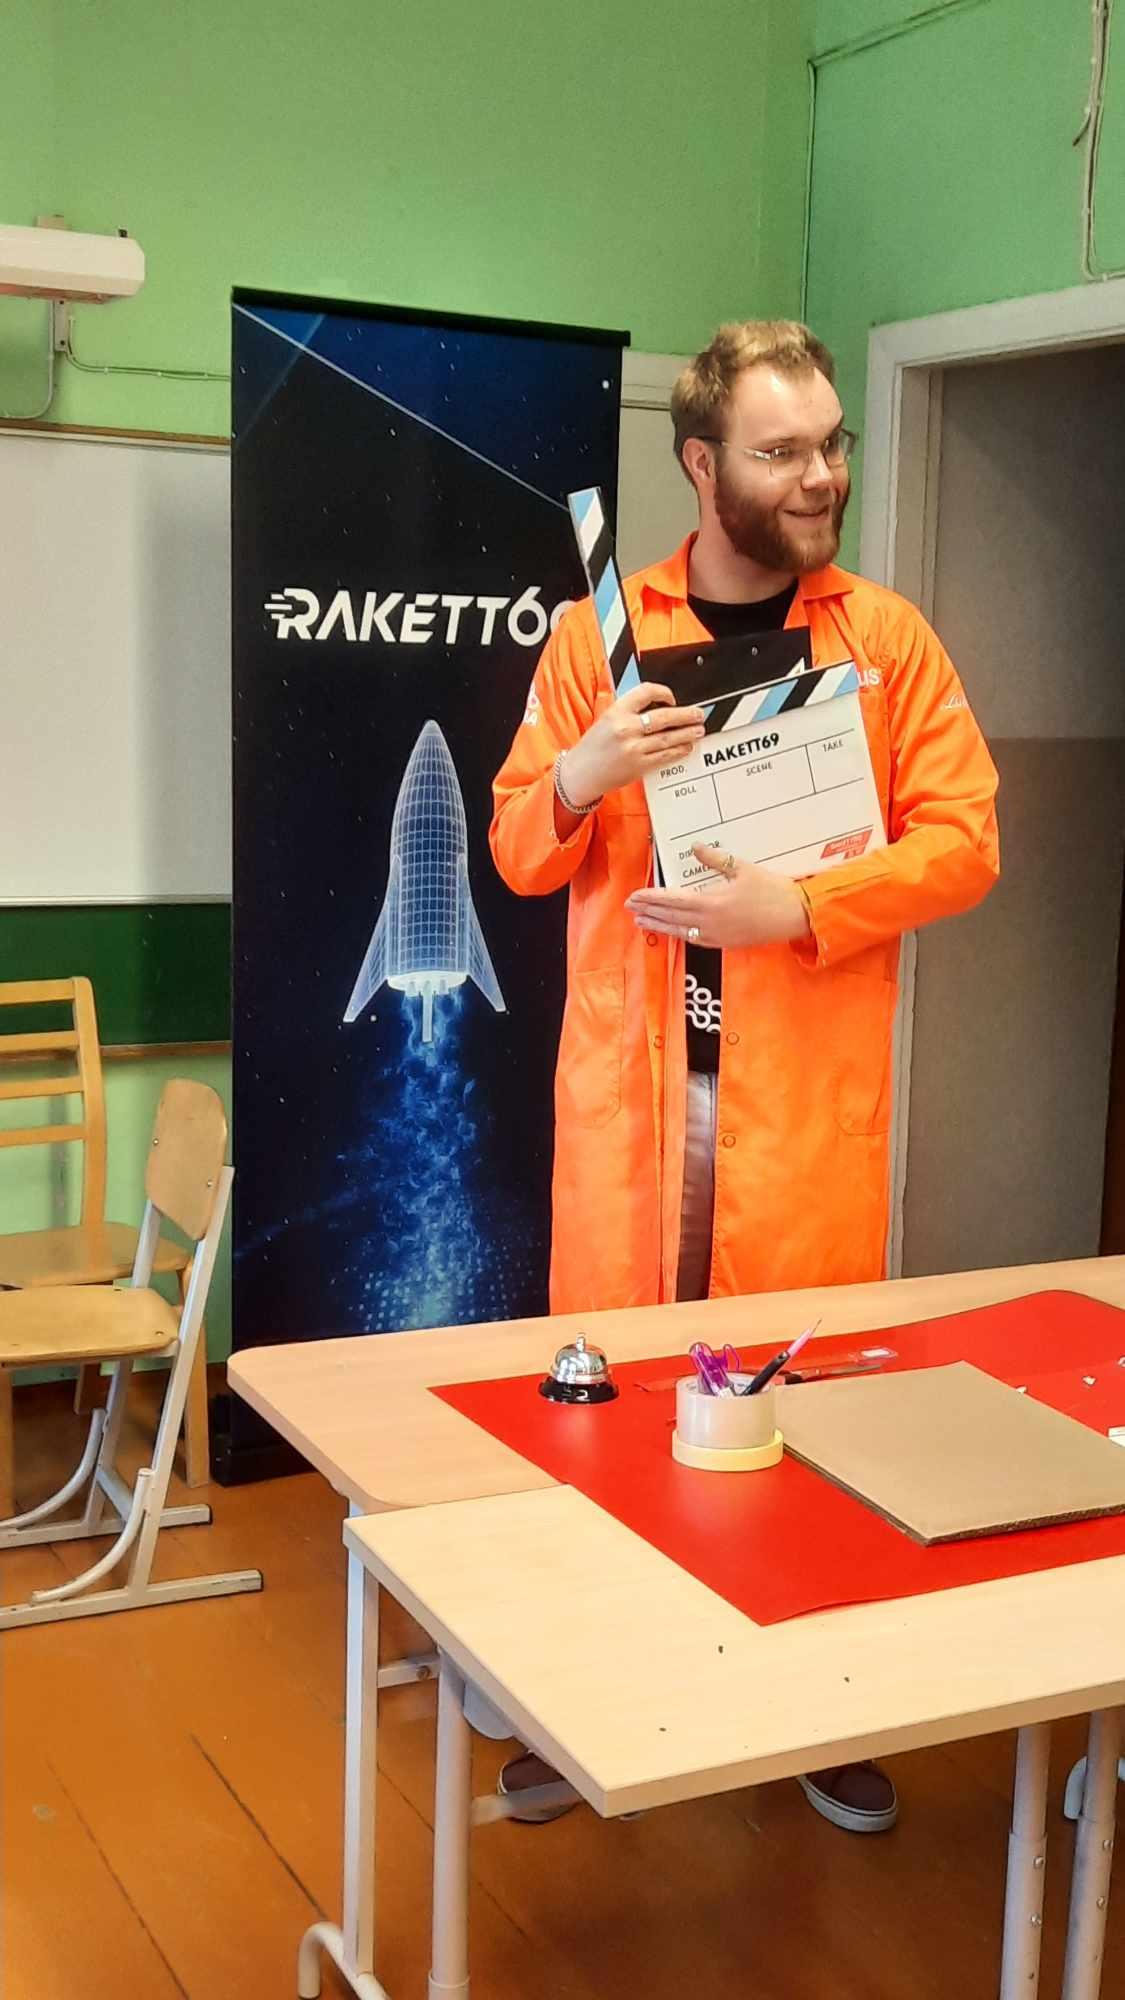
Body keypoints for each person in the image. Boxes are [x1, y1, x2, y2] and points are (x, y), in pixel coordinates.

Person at [488, 320, 1000, 1834]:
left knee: (803, 1409)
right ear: (701, 466)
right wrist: (585, 771)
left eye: (832, 443)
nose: (821, 473)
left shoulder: (886, 644)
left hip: (796, 1114)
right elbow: (519, 848)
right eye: (783, 451)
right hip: (638, 1112)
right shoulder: (596, 638)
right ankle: (585, 1701)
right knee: (613, 1409)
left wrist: (805, 907)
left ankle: (813, 1712)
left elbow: (965, 840)